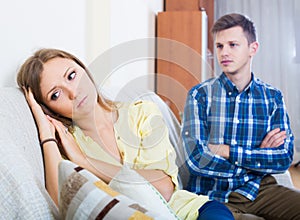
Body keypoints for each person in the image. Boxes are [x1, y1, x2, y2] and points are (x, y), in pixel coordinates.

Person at [17, 48, 234, 220]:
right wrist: (46, 135)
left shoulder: (141, 111)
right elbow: (58, 206)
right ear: (49, 109)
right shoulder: (67, 145)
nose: (73, 92)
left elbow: (165, 189)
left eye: (72, 76)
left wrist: (86, 162)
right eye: (55, 95)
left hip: (193, 211)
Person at [181, 13, 300, 220]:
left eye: (233, 44)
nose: (224, 52)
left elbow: (283, 158)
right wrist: (257, 156)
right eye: (219, 46)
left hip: (261, 191)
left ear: (253, 48)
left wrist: (227, 151)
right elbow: (198, 160)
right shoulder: (199, 96)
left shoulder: (272, 97)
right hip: (214, 195)